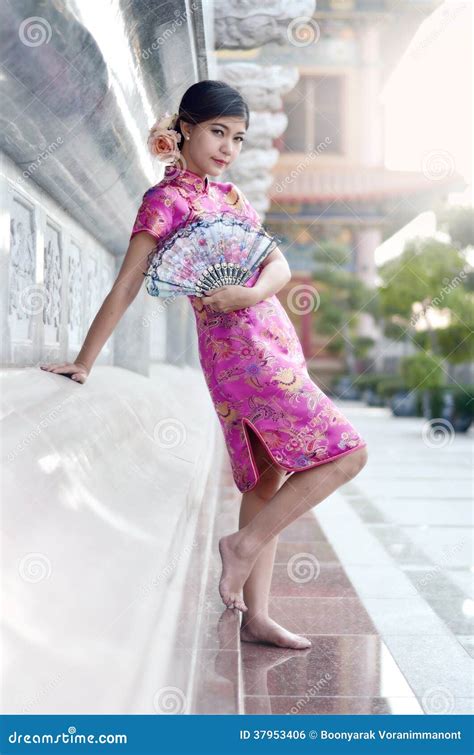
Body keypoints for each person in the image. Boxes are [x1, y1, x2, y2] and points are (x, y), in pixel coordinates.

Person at [40, 79, 368, 649]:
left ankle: (257, 616)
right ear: (185, 128)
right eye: (218, 132)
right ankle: (239, 547)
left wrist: (249, 292)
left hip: (273, 337)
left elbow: (279, 268)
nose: (228, 147)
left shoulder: (233, 198)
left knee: (268, 474)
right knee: (349, 454)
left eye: (238, 138)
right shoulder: (164, 202)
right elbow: (126, 287)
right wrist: (84, 362)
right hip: (241, 356)